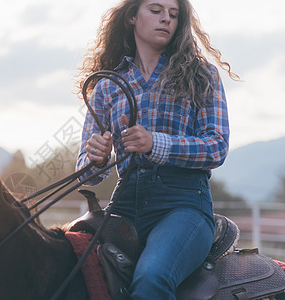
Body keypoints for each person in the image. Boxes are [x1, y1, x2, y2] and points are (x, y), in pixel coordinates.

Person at [75, 0, 238, 299]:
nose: (166, 19)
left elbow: (217, 146)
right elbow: (87, 175)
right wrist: (95, 158)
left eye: (173, 14)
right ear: (132, 17)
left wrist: (155, 143)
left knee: (152, 278)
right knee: (67, 265)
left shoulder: (202, 76)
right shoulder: (107, 86)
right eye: (156, 10)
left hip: (184, 204)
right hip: (124, 203)